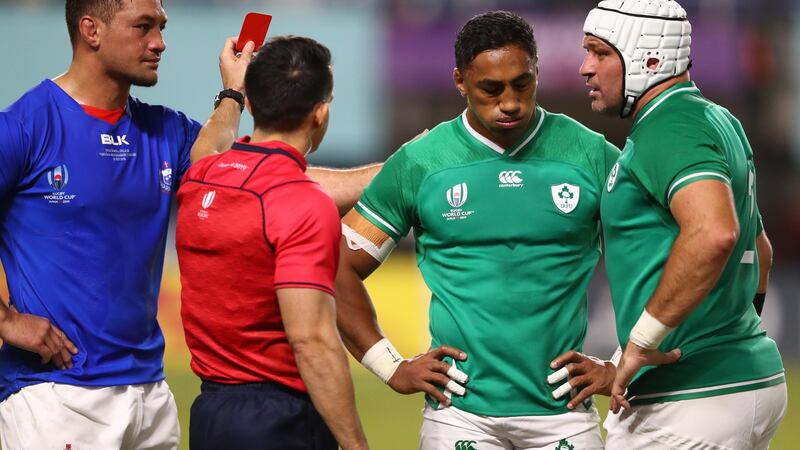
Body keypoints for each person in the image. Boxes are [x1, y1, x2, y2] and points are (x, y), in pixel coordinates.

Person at [0, 1, 375, 448]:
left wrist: (399, 171)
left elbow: (272, 181)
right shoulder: (25, 126)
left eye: (161, 27)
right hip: (56, 395)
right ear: (90, 31)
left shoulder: (165, 131)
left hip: (152, 397)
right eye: (143, 27)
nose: (159, 42)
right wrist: (7, 321)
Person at [334, 11, 620, 450]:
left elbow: (659, 256)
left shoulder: (591, 156)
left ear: (537, 72)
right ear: (460, 81)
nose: (509, 102)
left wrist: (620, 364)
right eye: (491, 88)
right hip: (459, 418)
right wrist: (390, 366)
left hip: (563, 415)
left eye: (522, 84)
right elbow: (337, 265)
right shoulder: (421, 163)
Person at [564, 0, 787, 448]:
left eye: (600, 52)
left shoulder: (668, 127)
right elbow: (759, 249)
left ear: (650, 58)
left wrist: (642, 342)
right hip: (746, 380)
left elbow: (714, 232)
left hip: (689, 401)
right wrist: (731, 339)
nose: (586, 68)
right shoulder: (720, 120)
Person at [175, 35, 369, 450]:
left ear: (253, 105)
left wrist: (231, 91)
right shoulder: (305, 203)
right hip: (282, 421)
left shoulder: (201, 175)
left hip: (210, 415)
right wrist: (356, 445)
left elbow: (210, 141)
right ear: (320, 113)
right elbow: (312, 342)